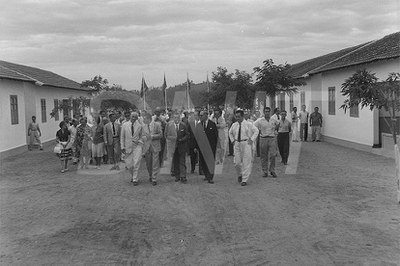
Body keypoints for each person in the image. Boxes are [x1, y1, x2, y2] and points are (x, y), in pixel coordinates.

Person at [228, 109, 259, 186]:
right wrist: (232, 140)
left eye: (239, 117)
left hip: (246, 143)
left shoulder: (248, 124)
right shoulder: (234, 125)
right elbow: (230, 132)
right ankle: (240, 174)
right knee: (237, 162)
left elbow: (256, 131)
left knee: (246, 162)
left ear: (242, 117)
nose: (237, 118)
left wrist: (252, 139)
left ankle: (244, 179)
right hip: (237, 143)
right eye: (236, 117)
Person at [121, 112, 145, 185]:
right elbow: (122, 137)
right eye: (132, 116)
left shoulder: (140, 126)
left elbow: (142, 136)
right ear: (130, 117)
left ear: (137, 118)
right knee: (129, 164)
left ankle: (135, 179)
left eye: (135, 117)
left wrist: (139, 141)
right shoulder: (124, 125)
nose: (134, 118)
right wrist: (122, 146)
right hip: (127, 146)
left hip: (137, 146)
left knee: (136, 162)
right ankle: (133, 175)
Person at [254, 107, 279, 178]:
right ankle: (265, 171)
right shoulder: (260, 120)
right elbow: (253, 126)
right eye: (266, 111)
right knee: (263, 156)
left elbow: (278, 124)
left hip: (272, 138)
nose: (267, 113)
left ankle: (272, 170)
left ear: (270, 112)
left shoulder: (273, 120)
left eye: (268, 111)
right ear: (264, 112)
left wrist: (275, 130)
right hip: (263, 138)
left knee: (273, 155)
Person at [165, 112, 189, 183]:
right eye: (175, 117)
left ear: (180, 118)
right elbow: (166, 135)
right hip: (173, 147)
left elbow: (187, 135)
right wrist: (173, 138)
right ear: (173, 118)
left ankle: (183, 176)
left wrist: (182, 139)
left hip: (182, 146)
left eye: (177, 117)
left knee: (182, 162)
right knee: (175, 162)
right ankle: (177, 176)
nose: (176, 119)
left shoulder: (183, 125)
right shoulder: (169, 125)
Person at [195, 110, 218, 184]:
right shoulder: (199, 125)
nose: (200, 117)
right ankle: (206, 174)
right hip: (202, 147)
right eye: (200, 116)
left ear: (206, 115)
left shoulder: (212, 124)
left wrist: (216, 146)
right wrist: (196, 147)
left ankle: (210, 177)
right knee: (203, 162)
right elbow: (196, 137)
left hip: (211, 147)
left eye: (202, 115)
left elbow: (216, 136)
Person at [142, 113, 162, 185]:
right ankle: (150, 175)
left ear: (149, 119)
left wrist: (152, 136)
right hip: (147, 147)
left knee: (155, 162)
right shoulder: (143, 126)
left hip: (155, 146)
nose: (143, 120)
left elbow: (160, 135)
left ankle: (154, 178)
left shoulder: (157, 125)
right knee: (148, 163)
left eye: (144, 119)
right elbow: (142, 135)